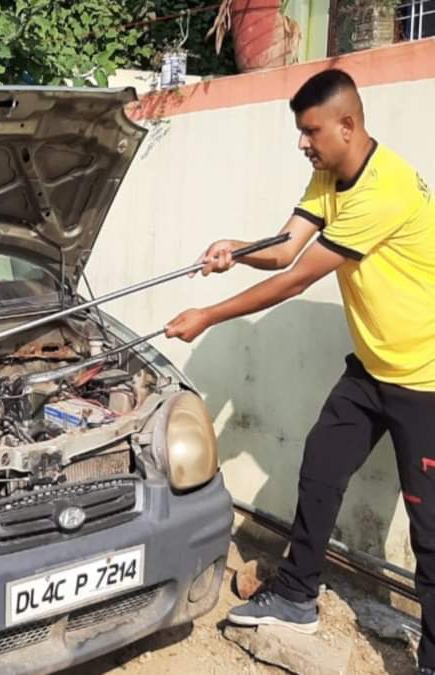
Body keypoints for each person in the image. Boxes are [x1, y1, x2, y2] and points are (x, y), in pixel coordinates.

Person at [165, 68, 435, 673]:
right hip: (371, 366)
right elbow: (286, 247)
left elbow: (296, 278)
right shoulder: (329, 173)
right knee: (320, 468)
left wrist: (207, 314)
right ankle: (295, 595)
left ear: (348, 124)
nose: (302, 142)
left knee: (430, 528)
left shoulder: (383, 190)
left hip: (425, 379)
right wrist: (234, 250)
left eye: (311, 130)